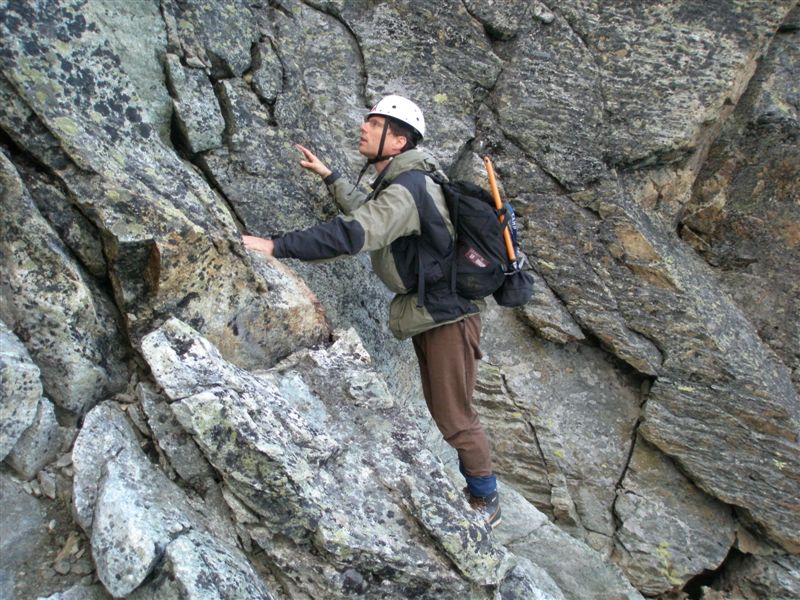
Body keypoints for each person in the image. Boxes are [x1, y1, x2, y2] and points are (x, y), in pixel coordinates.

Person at [243, 95, 501, 528]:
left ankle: (485, 499)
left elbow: (357, 233)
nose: (364, 127)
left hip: (448, 319)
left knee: (454, 415)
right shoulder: (407, 184)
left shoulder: (409, 188)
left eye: (376, 123)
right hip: (436, 314)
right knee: (447, 411)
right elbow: (371, 213)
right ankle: (479, 492)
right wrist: (331, 178)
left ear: (399, 141)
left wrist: (277, 246)